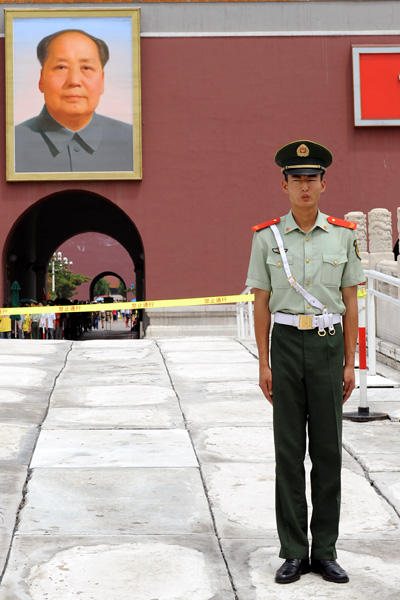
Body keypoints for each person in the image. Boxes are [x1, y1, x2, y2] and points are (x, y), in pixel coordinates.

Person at [246, 140, 365, 585]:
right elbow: (260, 303)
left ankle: (326, 550)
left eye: (311, 179)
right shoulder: (265, 237)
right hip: (286, 344)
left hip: (329, 346)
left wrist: (350, 363)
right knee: (289, 452)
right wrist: (264, 363)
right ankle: (295, 551)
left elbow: (351, 302)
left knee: (329, 451)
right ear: (284, 185)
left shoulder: (343, 235)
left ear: (323, 183)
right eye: (296, 179)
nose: (304, 186)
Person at [15, 29, 133, 173]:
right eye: (61, 67)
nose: (74, 80)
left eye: (86, 67)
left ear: (102, 81)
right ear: (41, 80)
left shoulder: (133, 141)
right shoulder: (11, 143)